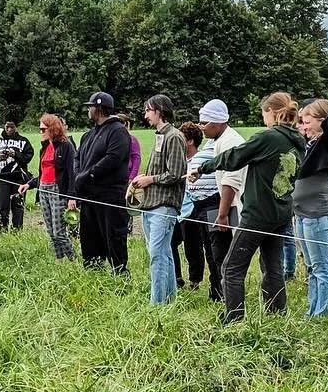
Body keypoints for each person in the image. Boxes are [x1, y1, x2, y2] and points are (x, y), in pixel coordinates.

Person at [189, 93, 305, 323]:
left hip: (258, 214)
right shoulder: (297, 141)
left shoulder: (268, 137)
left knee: (231, 268)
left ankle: (233, 321)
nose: (263, 118)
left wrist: (203, 168)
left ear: (272, 112)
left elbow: (234, 157)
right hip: (281, 211)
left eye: (263, 113)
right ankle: (276, 317)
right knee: (272, 266)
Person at [293, 100, 328, 318]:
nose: (304, 126)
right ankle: (313, 309)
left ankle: (326, 312)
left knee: (321, 266)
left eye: (308, 122)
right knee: (310, 266)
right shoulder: (311, 144)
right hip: (302, 212)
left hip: (317, 213)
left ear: (322, 121)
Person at [130, 95, 187, 304]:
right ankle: (168, 300)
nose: (145, 115)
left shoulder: (174, 136)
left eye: (148, 110)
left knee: (157, 255)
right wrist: (143, 178)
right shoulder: (160, 135)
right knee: (163, 253)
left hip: (164, 205)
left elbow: (176, 173)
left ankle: (157, 304)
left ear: (160, 111)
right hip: (152, 204)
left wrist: (150, 179)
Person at [67, 92, 132, 274]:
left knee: (113, 239)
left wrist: (88, 175)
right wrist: (79, 175)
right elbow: (77, 157)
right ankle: (93, 274)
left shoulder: (118, 131)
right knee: (89, 240)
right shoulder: (88, 135)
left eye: (91, 106)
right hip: (89, 197)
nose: (88, 110)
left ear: (100, 108)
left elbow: (113, 158)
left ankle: (120, 276)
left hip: (110, 197)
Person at [194, 99, 247, 302]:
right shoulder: (219, 140)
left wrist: (222, 215)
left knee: (224, 256)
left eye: (203, 123)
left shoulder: (230, 142)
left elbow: (230, 182)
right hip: (225, 205)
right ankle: (220, 293)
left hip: (231, 206)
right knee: (217, 253)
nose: (201, 127)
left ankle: (228, 298)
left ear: (216, 122)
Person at [19, 113, 78, 261]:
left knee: (59, 232)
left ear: (52, 128)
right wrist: (29, 184)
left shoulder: (66, 146)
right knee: (51, 232)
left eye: (43, 129)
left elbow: (72, 173)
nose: (41, 132)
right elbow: (43, 173)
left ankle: (74, 260)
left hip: (57, 191)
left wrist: (71, 197)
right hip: (43, 190)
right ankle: (60, 260)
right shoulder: (44, 147)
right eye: (40, 129)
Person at [180, 122, 220, 293]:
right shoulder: (182, 160)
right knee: (183, 244)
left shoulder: (207, 155)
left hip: (205, 206)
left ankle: (208, 285)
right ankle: (183, 280)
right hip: (187, 208)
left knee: (205, 248)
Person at [0, 119, 34, 231]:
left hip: (18, 179)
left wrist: (16, 154)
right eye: (7, 127)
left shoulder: (23, 141)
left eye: (12, 127)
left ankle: (17, 231)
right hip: (2, 179)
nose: (9, 129)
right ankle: (1, 230)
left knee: (18, 206)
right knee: (1, 206)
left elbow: (28, 157)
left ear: (16, 127)